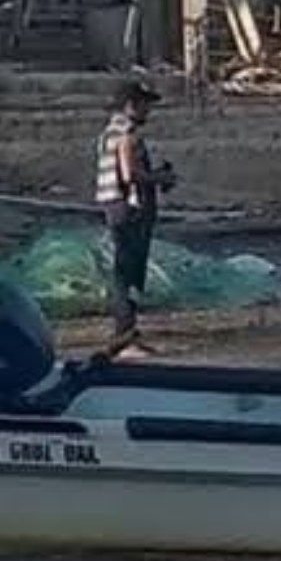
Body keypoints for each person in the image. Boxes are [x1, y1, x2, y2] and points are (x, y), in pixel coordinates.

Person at [95, 79, 173, 357]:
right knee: (127, 268)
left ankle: (125, 332)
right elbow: (130, 175)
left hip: (113, 204)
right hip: (129, 208)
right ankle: (124, 335)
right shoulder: (127, 133)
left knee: (123, 267)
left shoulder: (108, 131)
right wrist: (160, 178)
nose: (148, 112)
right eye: (145, 106)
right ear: (132, 105)